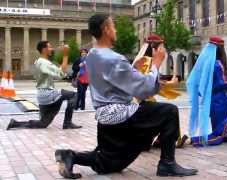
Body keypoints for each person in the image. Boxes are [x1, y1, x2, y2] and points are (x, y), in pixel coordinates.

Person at [54, 14, 198, 179]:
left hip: (105, 118)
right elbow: (145, 89)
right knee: (169, 112)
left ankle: (71, 156)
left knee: (109, 163)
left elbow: (112, 80)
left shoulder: (91, 56)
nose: (115, 30)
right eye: (113, 26)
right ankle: (167, 163)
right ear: (106, 29)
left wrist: (130, 68)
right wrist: (157, 63)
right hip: (122, 116)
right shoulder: (114, 59)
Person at [186, 36, 227, 147]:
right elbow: (225, 83)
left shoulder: (207, 63)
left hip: (214, 101)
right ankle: (192, 140)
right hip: (218, 102)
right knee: (217, 136)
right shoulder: (217, 64)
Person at [6, 41, 82, 130]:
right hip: (48, 94)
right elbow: (61, 74)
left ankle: (15, 123)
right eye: (50, 47)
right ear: (44, 50)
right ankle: (67, 123)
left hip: (42, 96)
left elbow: (59, 72)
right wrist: (65, 56)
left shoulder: (40, 62)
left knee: (43, 123)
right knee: (74, 95)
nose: (52, 49)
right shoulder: (43, 63)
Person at [133, 33, 188, 149]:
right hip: (140, 103)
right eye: (162, 46)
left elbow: (152, 82)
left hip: (141, 101)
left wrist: (168, 82)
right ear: (156, 48)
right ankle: (168, 140)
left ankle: (159, 139)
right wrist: (171, 83)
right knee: (170, 111)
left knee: (164, 110)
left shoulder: (144, 60)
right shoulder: (146, 61)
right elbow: (149, 84)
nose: (164, 50)